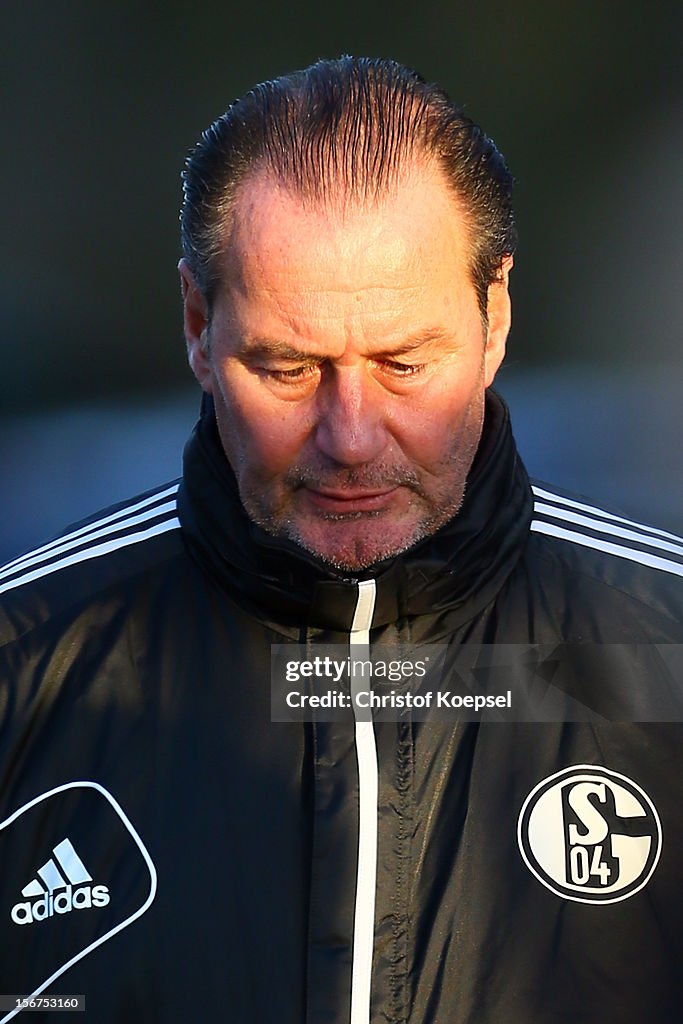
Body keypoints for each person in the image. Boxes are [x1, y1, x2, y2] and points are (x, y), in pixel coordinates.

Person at [1, 55, 683, 1024]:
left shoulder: (661, 645)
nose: (349, 436)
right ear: (197, 325)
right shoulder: (23, 667)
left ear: (492, 316)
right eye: (286, 367)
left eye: (404, 363)